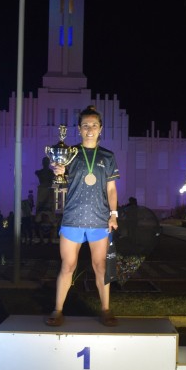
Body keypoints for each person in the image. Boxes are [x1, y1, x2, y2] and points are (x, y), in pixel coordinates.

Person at [45, 105, 120, 327]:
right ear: (79, 129)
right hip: (73, 219)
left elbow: (112, 189)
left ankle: (105, 310)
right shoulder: (70, 154)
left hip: (99, 219)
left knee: (101, 267)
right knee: (67, 266)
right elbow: (60, 176)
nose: (90, 129)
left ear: (100, 129)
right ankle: (58, 310)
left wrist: (113, 214)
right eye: (85, 125)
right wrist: (58, 170)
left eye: (94, 125)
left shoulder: (107, 156)